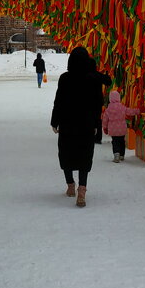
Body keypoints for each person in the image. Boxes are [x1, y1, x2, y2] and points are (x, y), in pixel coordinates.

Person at [50, 46, 104, 207]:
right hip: (86, 124)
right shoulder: (93, 79)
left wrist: (55, 121)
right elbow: (98, 103)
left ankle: (70, 186)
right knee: (84, 156)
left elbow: (58, 101)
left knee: (66, 155)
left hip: (67, 123)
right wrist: (96, 123)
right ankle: (82, 190)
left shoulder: (65, 78)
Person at [102, 91, 140, 163]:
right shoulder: (122, 107)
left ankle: (116, 154)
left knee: (115, 141)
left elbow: (105, 119)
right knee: (122, 141)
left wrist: (105, 128)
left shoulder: (108, 109)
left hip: (113, 129)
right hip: (122, 129)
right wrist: (138, 111)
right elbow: (129, 111)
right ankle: (122, 155)